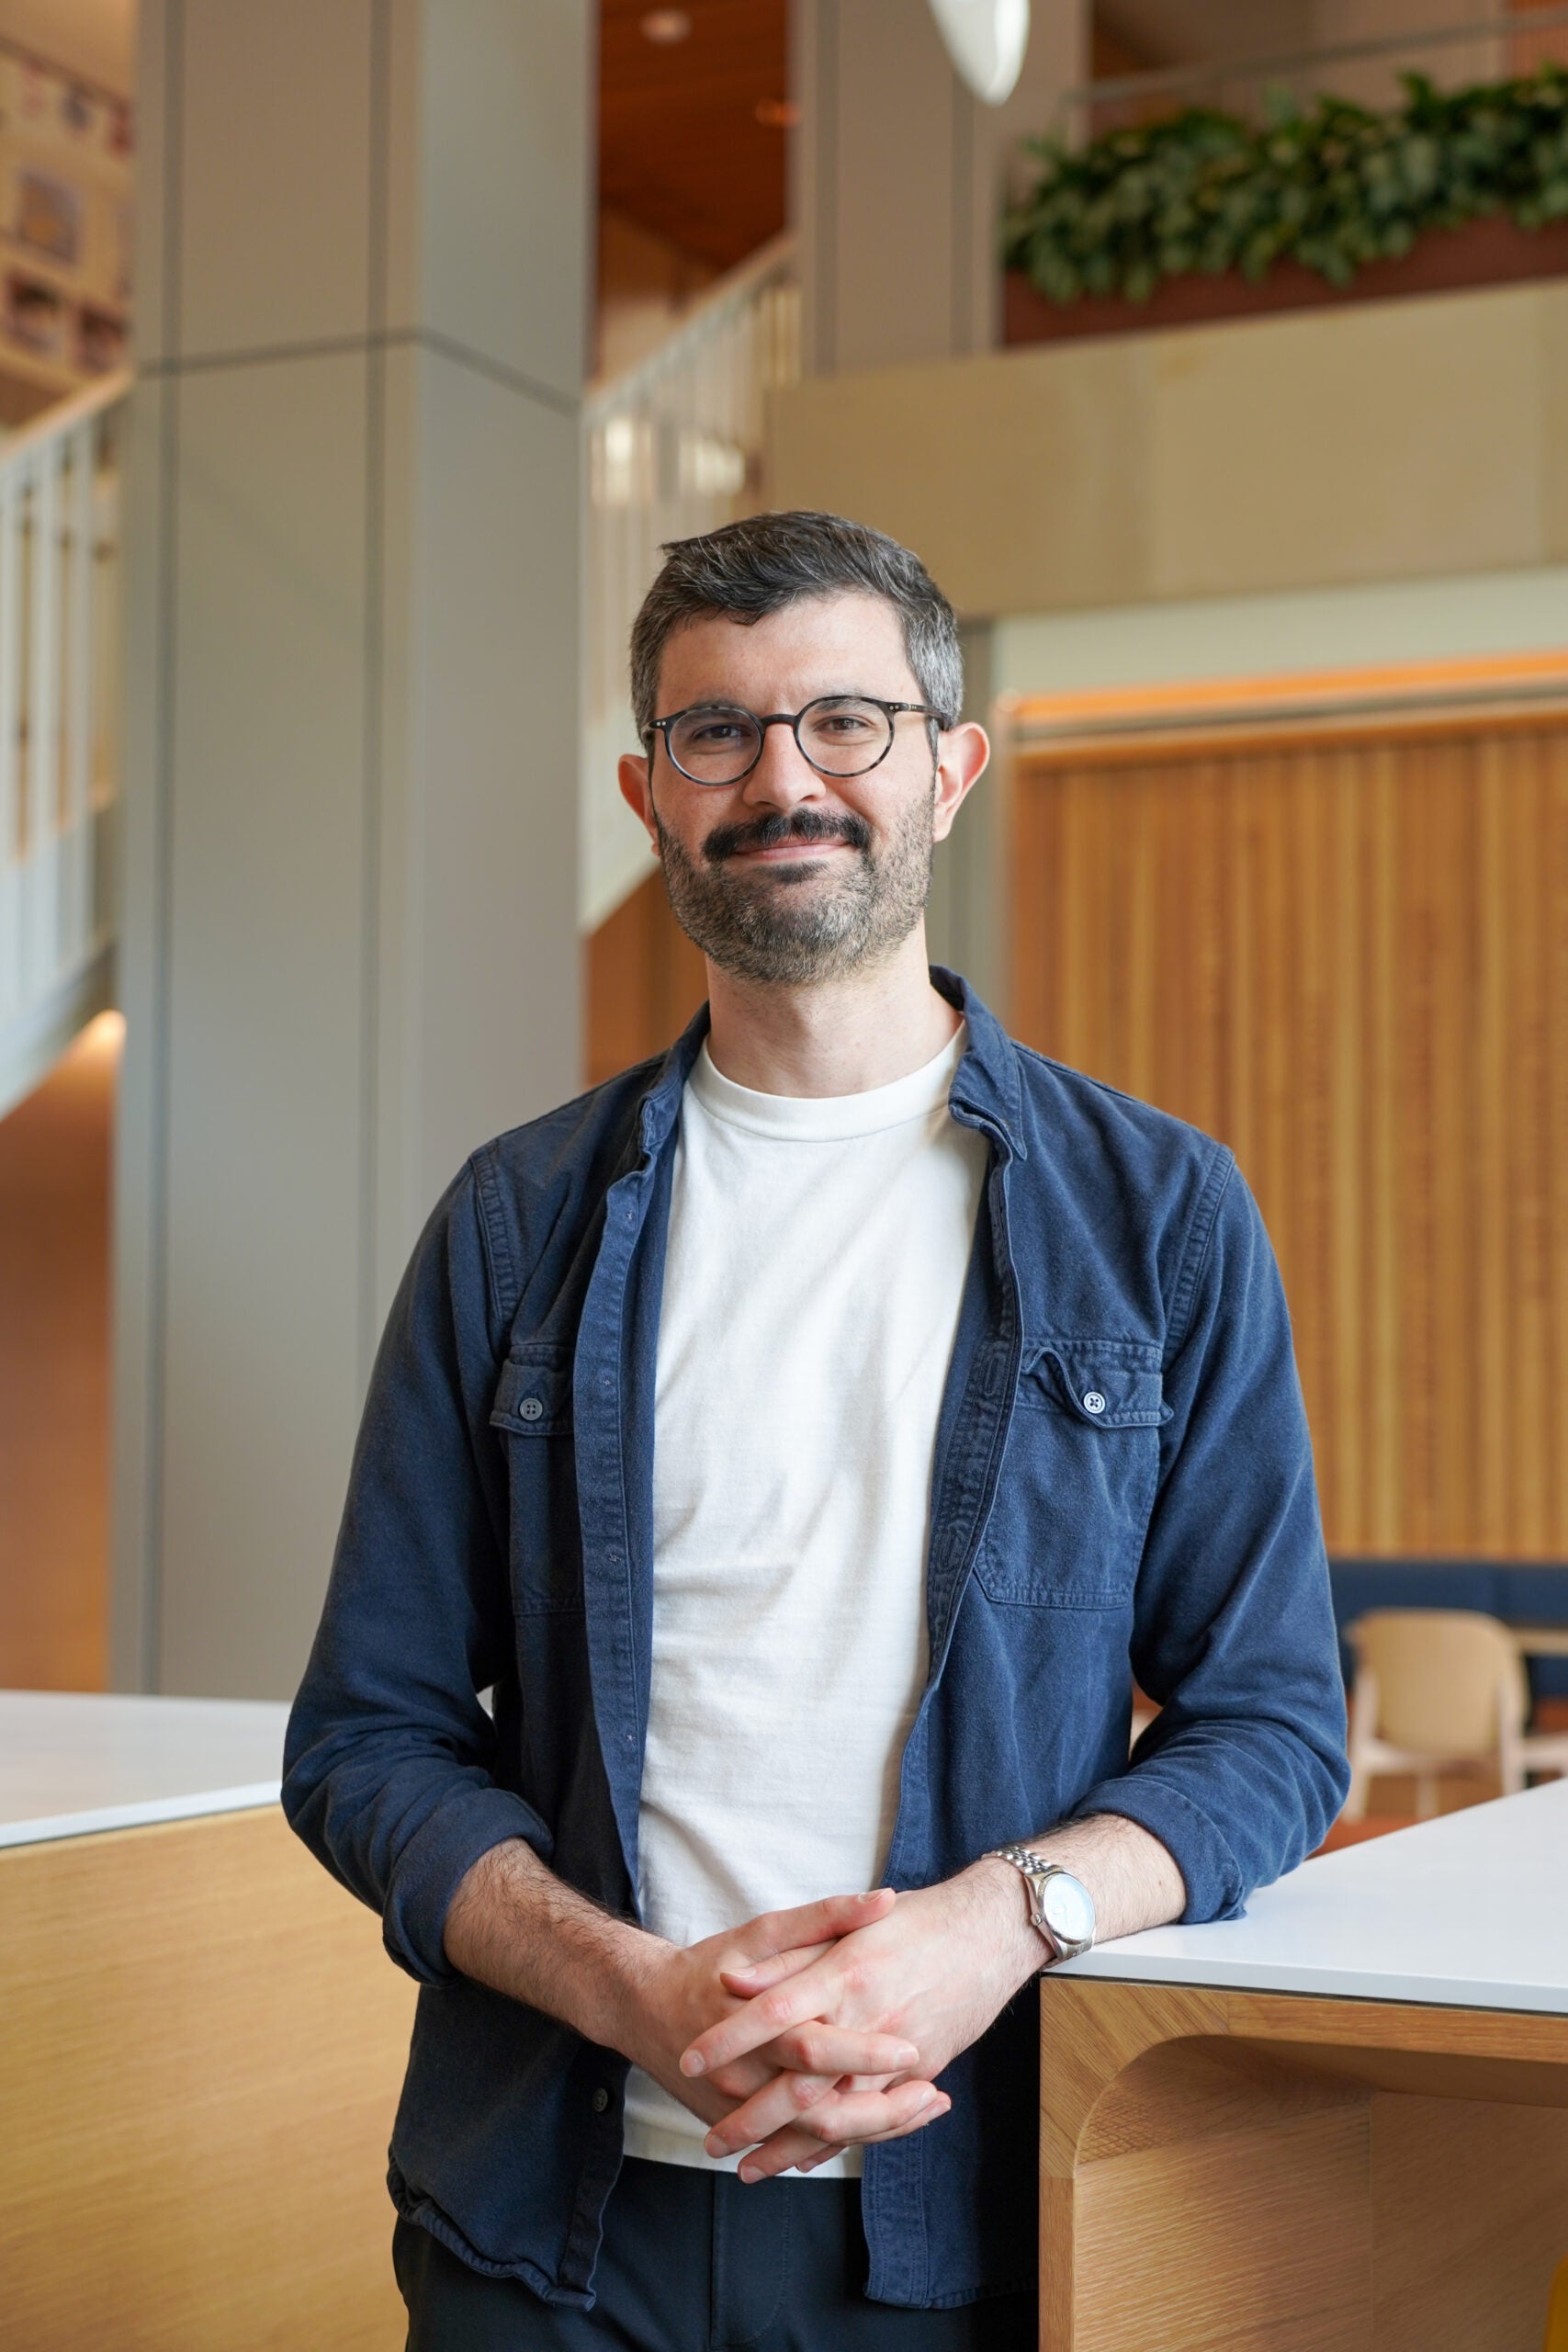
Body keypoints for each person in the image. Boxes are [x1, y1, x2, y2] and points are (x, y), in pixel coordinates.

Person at [284, 510, 1349, 2349]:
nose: (785, 780)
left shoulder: (1156, 1209)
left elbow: (1268, 1725)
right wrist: (629, 1990)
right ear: (647, 789)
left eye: (844, 722)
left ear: (949, 763)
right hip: (547, 2230)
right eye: (719, 734)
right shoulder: (507, 1220)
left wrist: (995, 1921)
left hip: (983, 2221)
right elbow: (363, 1737)